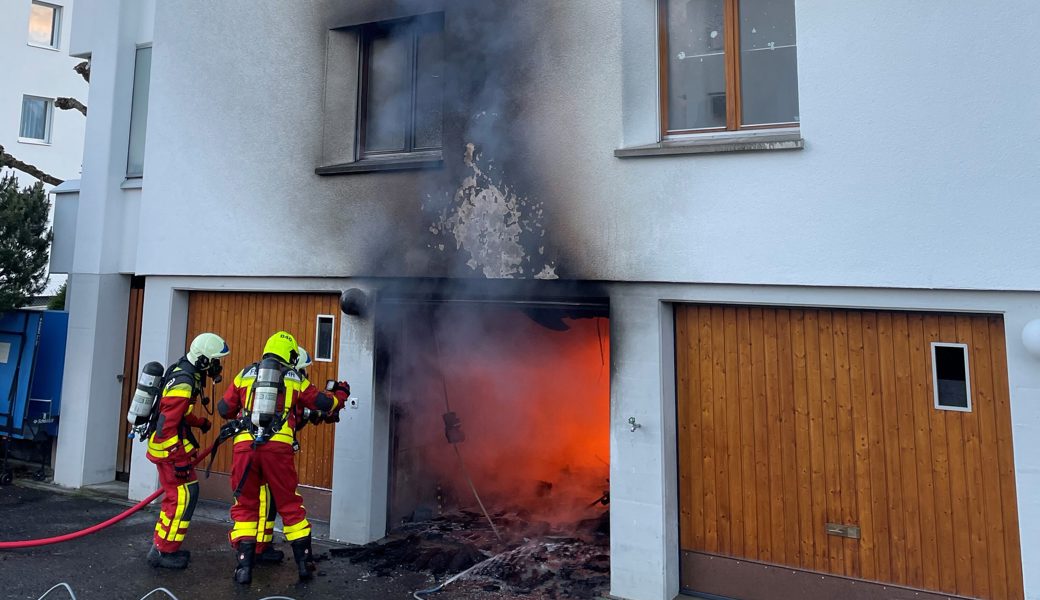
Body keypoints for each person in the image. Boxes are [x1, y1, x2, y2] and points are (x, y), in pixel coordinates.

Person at [218, 331, 349, 584]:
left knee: (245, 507)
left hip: (245, 449)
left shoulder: (245, 374)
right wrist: (341, 394)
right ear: (290, 354)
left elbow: (224, 409)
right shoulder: (294, 377)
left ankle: (244, 569)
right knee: (289, 505)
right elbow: (324, 403)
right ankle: (304, 565)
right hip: (277, 450)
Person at [146, 332, 230, 569]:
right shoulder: (185, 381)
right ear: (204, 360)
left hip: (167, 448)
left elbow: (177, 414)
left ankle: (162, 546)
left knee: (176, 498)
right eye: (215, 360)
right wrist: (180, 459)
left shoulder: (185, 372)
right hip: (169, 450)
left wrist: (199, 423)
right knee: (182, 498)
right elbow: (166, 426)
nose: (217, 366)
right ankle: (164, 552)